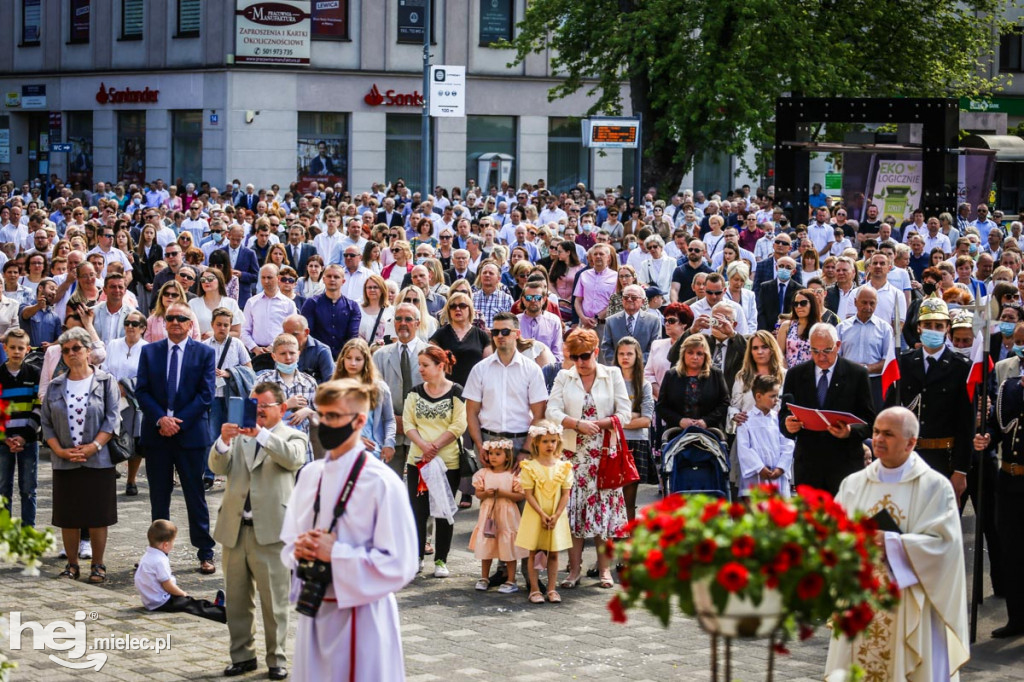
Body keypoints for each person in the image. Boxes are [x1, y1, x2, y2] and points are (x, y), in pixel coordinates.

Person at [279, 379, 419, 682]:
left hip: (363, 614)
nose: (324, 423)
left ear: (359, 420)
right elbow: (289, 541)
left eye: (333, 417)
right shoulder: (310, 474)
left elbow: (402, 563)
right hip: (316, 610)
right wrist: (298, 551)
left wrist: (338, 554)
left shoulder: (381, 481)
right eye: (321, 415)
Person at [826, 407, 969, 681]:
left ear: (910, 442)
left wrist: (891, 543)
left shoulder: (934, 487)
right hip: (861, 595)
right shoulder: (854, 484)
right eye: (876, 431)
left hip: (910, 602)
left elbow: (944, 548)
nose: (878, 439)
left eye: (888, 434)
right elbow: (833, 533)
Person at [209, 381, 307, 680]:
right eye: (253, 405)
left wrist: (262, 434)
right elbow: (216, 467)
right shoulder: (239, 436)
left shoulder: (293, 435)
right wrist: (223, 442)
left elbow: (292, 459)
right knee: (237, 600)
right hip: (235, 530)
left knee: (274, 602)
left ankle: (276, 659)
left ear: (281, 408)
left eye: (263, 406)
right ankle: (242, 656)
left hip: (273, 532)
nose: (258, 412)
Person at [136, 301, 218, 574]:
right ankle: (159, 553)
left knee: (195, 496)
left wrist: (177, 423)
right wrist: (162, 419)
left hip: (190, 435)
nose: (175, 322)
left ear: (190, 323)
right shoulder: (149, 352)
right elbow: (142, 391)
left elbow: (205, 395)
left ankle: (205, 552)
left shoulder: (204, 353)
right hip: (157, 434)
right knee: (159, 497)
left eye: (181, 318)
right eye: (170, 318)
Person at [546, 328, 631, 589]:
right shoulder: (564, 375)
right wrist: (576, 423)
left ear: (595, 352)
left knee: (602, 514)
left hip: (604, 454)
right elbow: (552, 410)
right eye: (574, 357)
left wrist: (601, 423)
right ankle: (573, 570)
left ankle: (604, 570)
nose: (580, 363)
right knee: (574, 513)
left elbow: (625, 413)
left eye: (585, 356)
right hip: (574, 454)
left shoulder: (612, 374)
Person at [42, 327, 121, 583]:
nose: (71, 353)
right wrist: (59, 450)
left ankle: (98, 564)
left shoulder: (106, 381)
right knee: (69, 515)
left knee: (99, 514)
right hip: (64, 460)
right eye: (66, 350)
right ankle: (72, 564)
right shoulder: (55, 386)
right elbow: (46, 424)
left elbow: (112, 419)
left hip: (98, 459)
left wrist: (93, 447)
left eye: (76, 348)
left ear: (88, 351)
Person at [780, 323, 876, 495]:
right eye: (815, 351)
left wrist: (849, 432)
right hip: (809, 467)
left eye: (826, 350)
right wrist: (788, 425)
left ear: (838, 346)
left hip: (845, 466)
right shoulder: (795, 375)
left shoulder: (857, 374)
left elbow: (869, 422)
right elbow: (785, 414)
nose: (821, 357)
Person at [403, 346, 466, 578]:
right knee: (418, 512)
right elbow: (408, 424)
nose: (421, 370)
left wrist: (436, 446)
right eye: (419, 365)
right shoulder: (415, 392)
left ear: (441, 366)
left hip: (447, 463)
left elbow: (459, 425)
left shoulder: (457, 392)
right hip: (418, 462)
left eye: (425, 365)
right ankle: (417, 557)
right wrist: (424, 446)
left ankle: (441, 560)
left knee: (444, 511)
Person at [464, 312, 548, 460]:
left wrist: (526, 451)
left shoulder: (532, 369)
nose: (500, 336)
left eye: (505, 331)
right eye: (495, 332)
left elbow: (539, 414)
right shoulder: (479, 369)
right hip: (488, 441)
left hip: (521, 440)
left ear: (517, 334)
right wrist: (479, 446)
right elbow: (471, 412)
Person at [515, 421, 573, 604]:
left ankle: (552, 589)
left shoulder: (564, 467)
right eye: (545, 441)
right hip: (535, 514)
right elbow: (529, 494)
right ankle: (534, 589)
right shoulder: (530, 467)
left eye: (553, 441)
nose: (549, 445)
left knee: (553, 552)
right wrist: (541, 514)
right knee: (535, 552)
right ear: (536, 443)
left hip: (556, 515)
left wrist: (555, 515)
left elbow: (565, 494)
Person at [372, 302, 427, 478]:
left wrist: (411, 422)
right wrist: (392, 419)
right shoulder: (380, 355)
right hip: (390, 432)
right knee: (389, 485)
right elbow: (373, 394)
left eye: (408, 319)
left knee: (418, 490)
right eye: (398, 319)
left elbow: (438, 393)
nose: (403, 323)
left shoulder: (431, 353)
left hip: (421, 433)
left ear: (417, 323)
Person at [135, 520, 226, 624]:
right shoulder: (159, 560)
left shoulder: (147, 556)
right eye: (173, 542)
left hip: (150, 600)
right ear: (165, 545)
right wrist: (182, 594)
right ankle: (224, 614)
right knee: (193, 605)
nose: (173, 545)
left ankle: (216, 607)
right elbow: (167, 585)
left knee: (193, 603)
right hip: (162, 601)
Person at [468, 440, 528, 594]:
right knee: (487, 544)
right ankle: (484, 577)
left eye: (497, 454)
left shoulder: (512, 475)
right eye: (490, 453)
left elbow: (520, 495)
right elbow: (478, 493)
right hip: (489, 514)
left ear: (507, 457)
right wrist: (485, 494)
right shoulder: (484, 473)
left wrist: (503, 493)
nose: (493, 457)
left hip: (507, 515)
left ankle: (511, 579)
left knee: (508, 545)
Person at [101, 311, 149, 495]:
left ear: (143, 328)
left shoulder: (147, 348)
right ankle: (109, 473)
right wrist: (115, 386)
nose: (130, 327)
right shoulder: (113, 344)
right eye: (127, 323)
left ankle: (131, 480)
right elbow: (104, 369)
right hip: (112, 398)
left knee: (134, 440)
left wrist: (127, 386)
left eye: (135, 324)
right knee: (109, 436)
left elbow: (147, 375)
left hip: (134, 401)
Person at [331, 338, 396, 464]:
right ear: (342, 359)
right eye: (349, 358)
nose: (353, 363)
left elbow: (389, 419)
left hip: (373, 453)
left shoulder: (379, 388)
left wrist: (389, 442)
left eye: (358, 359)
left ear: (366, 361)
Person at [0, 329, 40, 525]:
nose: (16, 351)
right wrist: (6, 437)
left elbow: (38, 407)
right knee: (2, 488)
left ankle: (28, 531)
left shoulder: (34, 374)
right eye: (12, 347)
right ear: (5, 348)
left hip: (28, 440)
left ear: (28, 349)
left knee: (28, 488)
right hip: (3, 441)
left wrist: (24, 436)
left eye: (20, 348)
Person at [613, 337, 655, 521]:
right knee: (612, 495)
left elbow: (646, 420)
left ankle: (629, 536)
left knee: (629, 499)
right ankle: (612, 536)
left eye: (629, 353)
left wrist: (617, 418)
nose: (625, 357)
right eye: (621, 353)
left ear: (637, 356)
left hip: (636, 442)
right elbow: (604, 415)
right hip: (613, 441)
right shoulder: (610, 381)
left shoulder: (643, 384)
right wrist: (633, 415)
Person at [656, 334, 731, 434]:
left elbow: (724, 403)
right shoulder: (671, 375)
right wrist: (680, 421)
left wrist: (706, 421)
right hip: (676, 433)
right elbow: (661, 406)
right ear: (683, 354)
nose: (695, 357)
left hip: (710, 432)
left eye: (699, 353)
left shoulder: (716, 375)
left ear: (706, 356)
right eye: (690, 353)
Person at [735, 375, 793, 496]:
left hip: (778, 477)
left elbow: (788, 444)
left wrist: (780, 468)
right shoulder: (746, 420)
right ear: (758, 396)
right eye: (772, 396)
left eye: (777, 396)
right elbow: (744, 448)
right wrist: (759, 468)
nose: (776, 400)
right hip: (756, 478)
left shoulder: (778, 419)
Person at [300, 263, 361, 359]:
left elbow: (352, 338)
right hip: (316, 358)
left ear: (343, 281)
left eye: (336, 277)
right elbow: (307, 335)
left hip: (343, 359)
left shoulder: (352, 307)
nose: (332, 279)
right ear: (323, 279)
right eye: (329, 276)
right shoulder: (311, 303)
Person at [645, 302, 694, 400]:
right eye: (665, 320)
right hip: (659, 401)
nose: (667, 324)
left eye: (671, 320)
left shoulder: (694, 347)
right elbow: (648, 374)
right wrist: (662, 396)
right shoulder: (657, 345)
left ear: (684, 324)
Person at [601, 285, 662, 363]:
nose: (629, 300)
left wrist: (635, 361)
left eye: (634, 297)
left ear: (642, 301)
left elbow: (654, 349)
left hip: (643, 369)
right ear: (622, 300)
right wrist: (621, 362)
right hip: (618, 370)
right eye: (626, 297)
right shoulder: (611, 321)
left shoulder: (653, 321)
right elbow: (606, 348)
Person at [190, 268, 243, 340]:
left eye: (210, 278)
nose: (206, 281)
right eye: (202, 279)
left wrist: (215, 335)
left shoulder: (231, 303)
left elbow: (237, 333)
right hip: (201, 348)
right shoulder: (193, 303)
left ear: (219, 281)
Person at [776, 287, 821, 369]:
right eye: (795, 304)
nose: (799, 306)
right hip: (789, 373)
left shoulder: (819, 329)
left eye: (803, 303)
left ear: (812, 304)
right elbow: (779, 353)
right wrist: (787, 371)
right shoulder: (786, 326)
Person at [358, 273, 393, 345]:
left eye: (375, 287)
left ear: (382, 289)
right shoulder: (358, 309)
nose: (372, 290)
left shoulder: (392, 311)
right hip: (363, 351)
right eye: (369, 287)